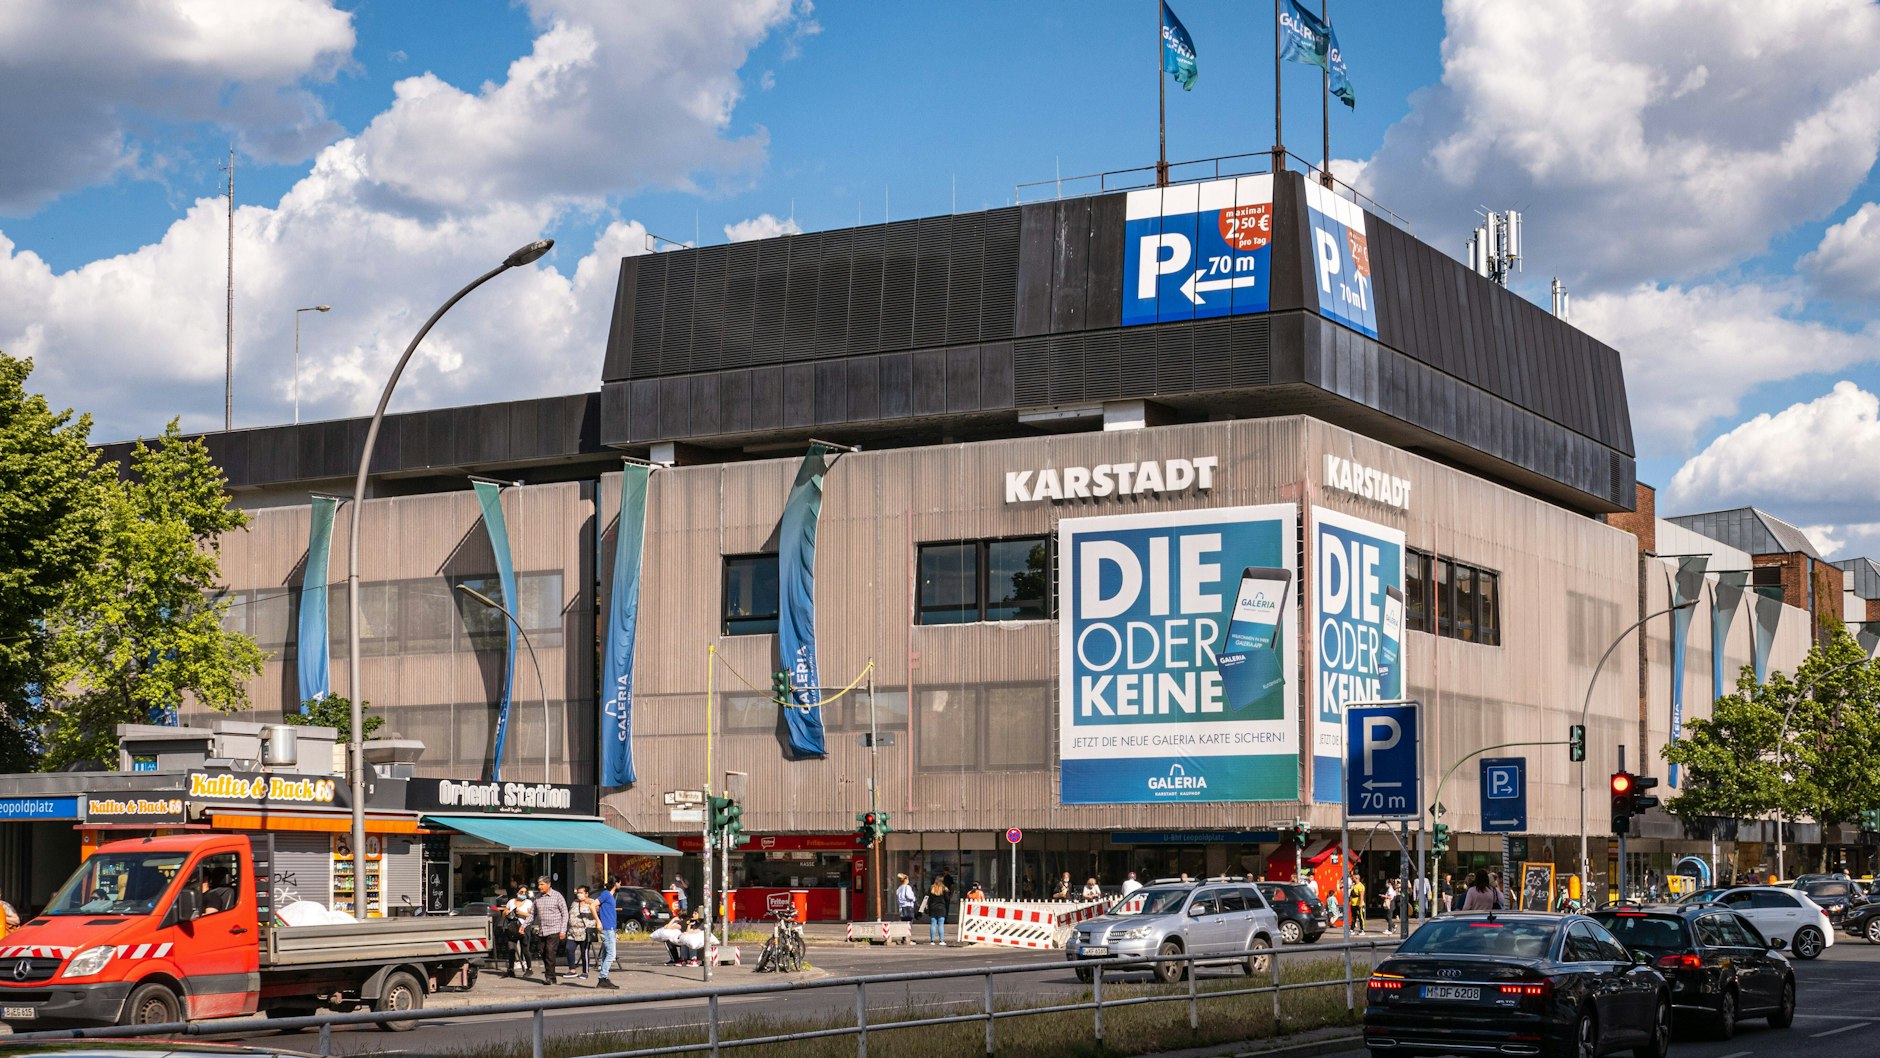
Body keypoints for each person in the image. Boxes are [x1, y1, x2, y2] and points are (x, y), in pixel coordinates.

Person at [532, 876, 568, 985]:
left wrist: (563, 930)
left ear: (548, 884)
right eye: (539, 884)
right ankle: (551, 974)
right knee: (542, 951)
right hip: (542, 930)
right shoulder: (537, 898)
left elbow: (565, 914)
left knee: (550, 952)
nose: (540, 887)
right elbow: (533, 914)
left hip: (554, 929)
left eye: (542, 884)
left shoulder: (557, 896)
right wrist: (524, 925)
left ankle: (550, 977)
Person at [562, 885, 597, 979]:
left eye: (581, 892)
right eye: (578, 892)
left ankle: (585, 972)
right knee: (569, 948)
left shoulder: (592, 902)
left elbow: (598, 911)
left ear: (586, 894)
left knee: (584, 951)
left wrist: (590, 904)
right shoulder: (574, 903)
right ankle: (572, 970)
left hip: (584, 931)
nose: (579, 894)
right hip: (572, 931)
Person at [502, 885, 535, 975]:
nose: (523, 894)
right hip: (512, 928)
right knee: (511, 949)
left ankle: (529, 968)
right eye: (521, 892)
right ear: (517, 892)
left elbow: (531, 916)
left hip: (524, 927)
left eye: (525, 892)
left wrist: (521, 913)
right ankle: (510, 969)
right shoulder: (511, 902)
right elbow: (505, 911)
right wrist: (506, 912)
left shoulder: (529, 903)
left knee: (525, 949)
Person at [594, 877, 620, 989]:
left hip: (611, 929)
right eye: (619, 883)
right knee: (611, 954)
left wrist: (615, 931)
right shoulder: (606, 894)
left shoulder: (610, 896)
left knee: (605, 954)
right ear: (615, 884)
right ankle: (602, 977)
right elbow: (592, 905)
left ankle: (604, 978)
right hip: (607, 928)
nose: (620, 885)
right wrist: (598, 921)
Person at [926, 873, 953, 945]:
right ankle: (941, 940)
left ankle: (932, 941)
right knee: (941, 924)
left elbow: (927, 898)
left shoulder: (931, 888)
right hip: (941, 908)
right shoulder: (944, 888)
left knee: (933, 924)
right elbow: (947, 899)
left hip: (933, 908)